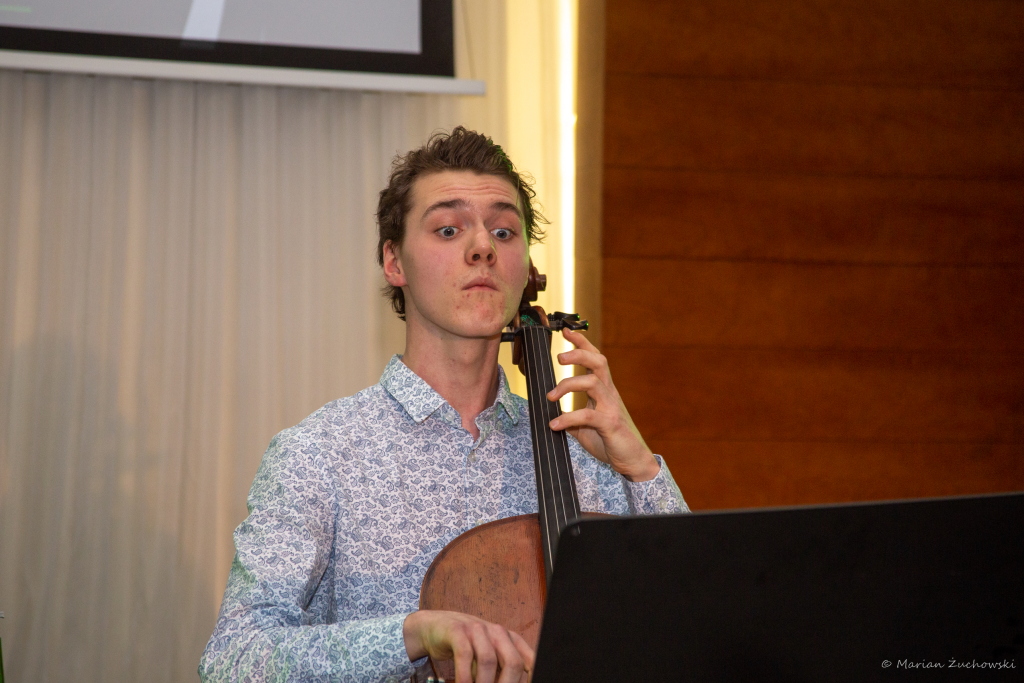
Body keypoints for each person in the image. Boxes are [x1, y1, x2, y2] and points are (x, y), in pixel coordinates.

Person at [199, 127, 688, 683]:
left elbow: (698, 623)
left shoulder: (581, 448)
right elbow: (234, 659)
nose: (483, 248)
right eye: (449, 229)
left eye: (503, 231)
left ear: (525, 267)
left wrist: (640, 469)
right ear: (394, 262)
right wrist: (411, 635)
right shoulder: (319, 455)